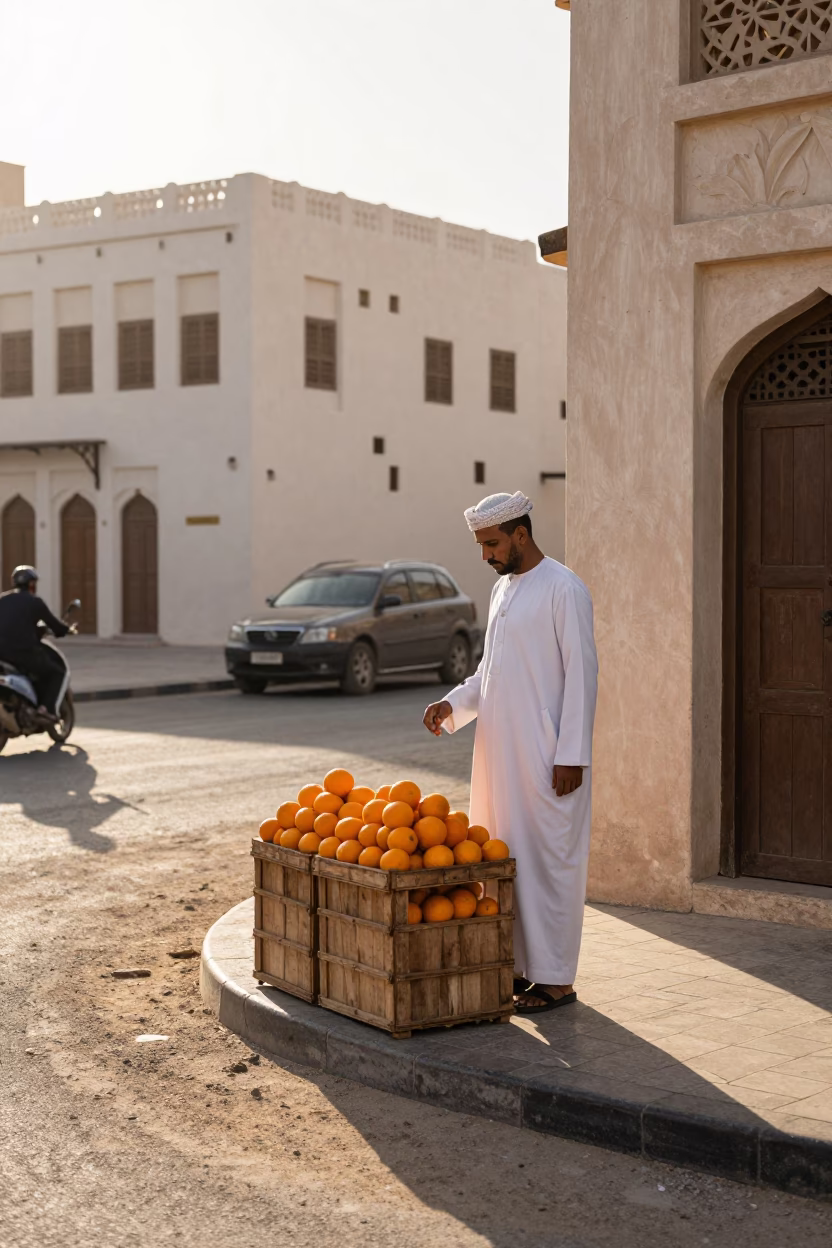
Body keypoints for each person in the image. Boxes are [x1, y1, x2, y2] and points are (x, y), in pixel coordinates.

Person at [423, 491, 598, 1014]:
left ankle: (556, 980)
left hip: (547, 759)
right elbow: (490, 674)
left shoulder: (564, 588)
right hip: (500, 757)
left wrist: (573, 754)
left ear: (520, 534)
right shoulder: (503, 591)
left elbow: (583, 677)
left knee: (549, 865)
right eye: (481, 545)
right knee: (507, 861)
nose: (486, 556)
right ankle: (523, 970)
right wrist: (451, 705)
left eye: (492, 544)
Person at [0, 565, 72, 718]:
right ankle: (46, 709)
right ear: (32, 584)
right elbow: (55, 625)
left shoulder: (2, 600)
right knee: (56, 673)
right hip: (24, 653)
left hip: (2, 654)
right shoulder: (35, 602)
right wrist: (66, 630)